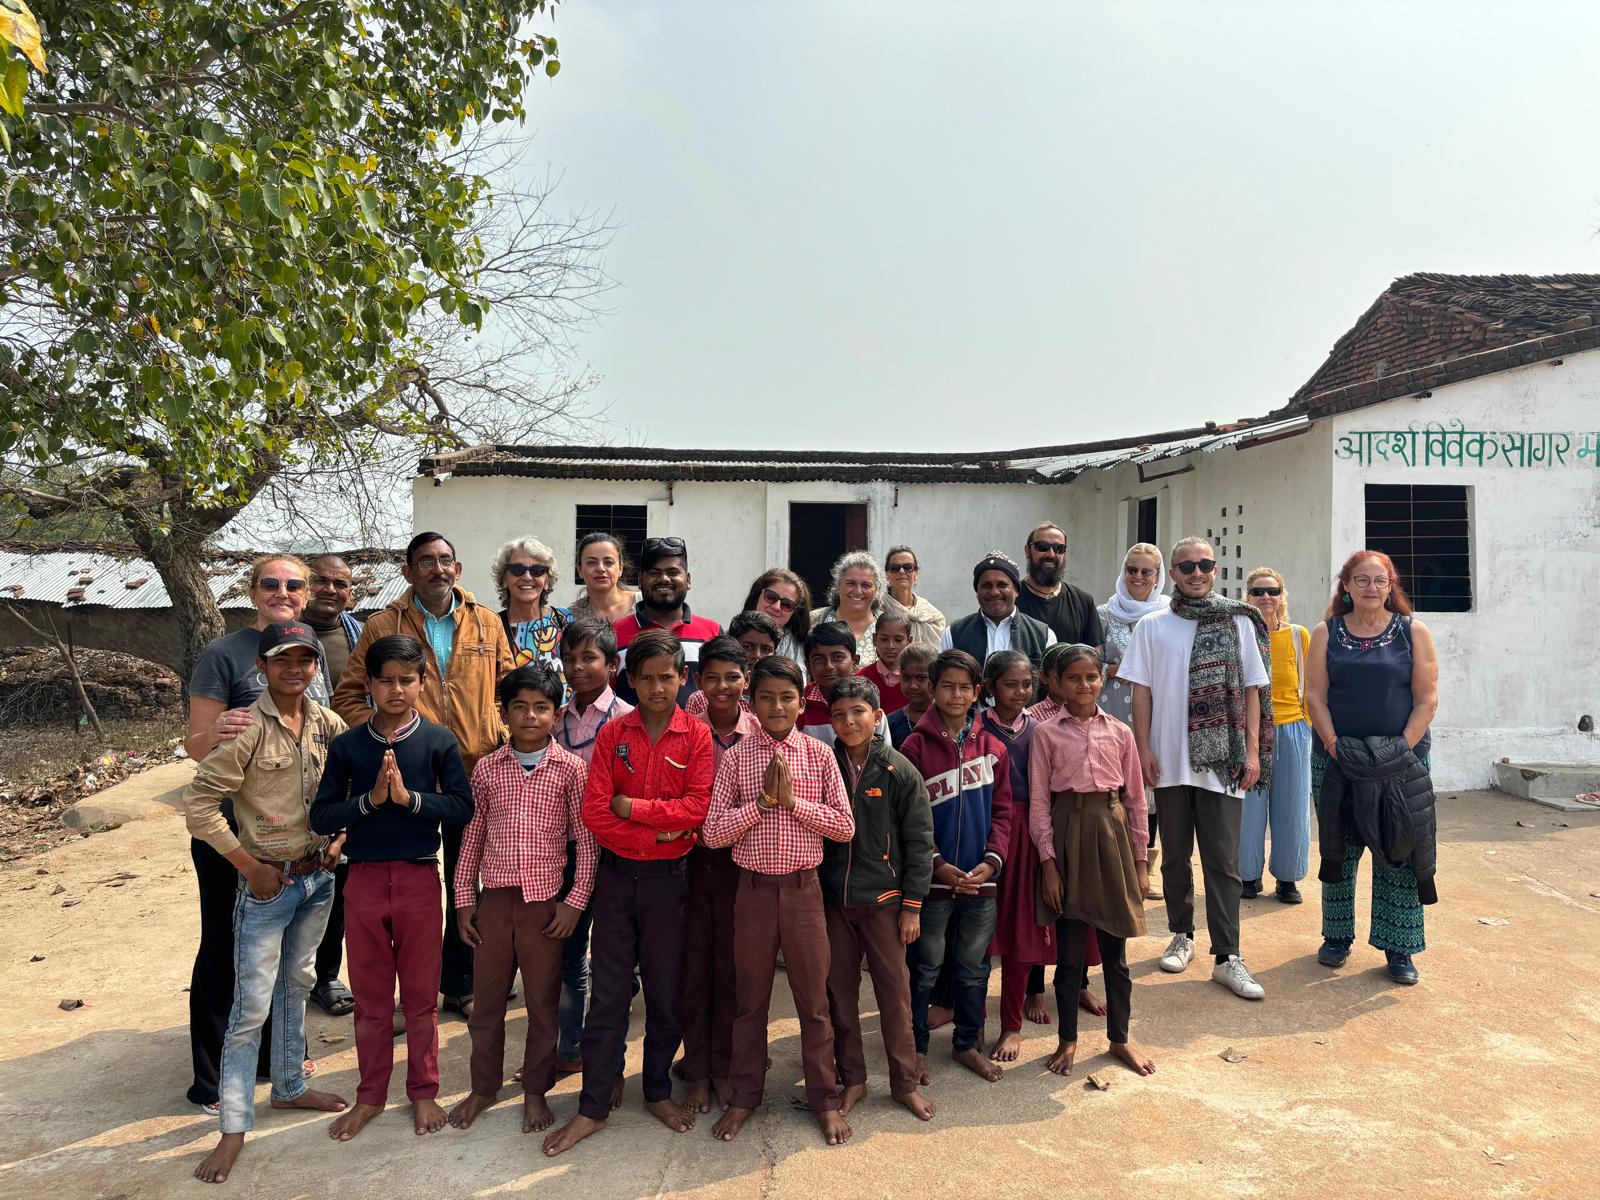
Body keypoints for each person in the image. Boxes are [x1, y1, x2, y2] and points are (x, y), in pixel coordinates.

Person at [185, 622, 349, 1184]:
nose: (296, 669)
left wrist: (337, 843)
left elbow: (345, 789)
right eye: (283, 660)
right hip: (268, 884)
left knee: (297, 985)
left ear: (316, 668)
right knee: (249, 1007)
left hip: (315, 878)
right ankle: (232, 1130)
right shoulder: (248, 729)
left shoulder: (328, 724)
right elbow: (199, 805)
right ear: (262, 667)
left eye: (305, 660)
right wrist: (249, 866)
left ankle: (289, 1087)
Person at [542, 629, 713, 1157]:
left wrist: (635, 811)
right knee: (610, 991)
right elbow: (596, 814)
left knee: (665, 990)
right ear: (629, 680)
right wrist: (661, 826)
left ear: (682, 679)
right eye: (647, 678)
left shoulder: (698, 737)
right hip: (616, 881)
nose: (658, 687)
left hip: (670, 883)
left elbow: (697, 812)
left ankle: (657, 1089)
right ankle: (593, 1103)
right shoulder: (615, 735)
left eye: (668, 677)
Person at [332, 532, 514, 1021]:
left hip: (471, 773)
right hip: (402, 778)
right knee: (398, 885)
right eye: (425, 562)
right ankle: (394, 999)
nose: (437, 569)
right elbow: (348, 695)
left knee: (465, 878)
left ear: (458, 568)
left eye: (445, 561)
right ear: (408, 571)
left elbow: (507, 689)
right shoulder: (382, 625)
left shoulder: (487, 623)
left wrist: (495, 730)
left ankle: (458, 984)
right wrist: (383, 742)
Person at [310, 635, 474, 1141]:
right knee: (373, 998)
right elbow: (321, 815)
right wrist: (369, 802)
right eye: (386, 680)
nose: (397, 689)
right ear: (370, 685)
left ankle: (423, 1092)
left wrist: (410, 800)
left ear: (422, 683)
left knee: (422, 998)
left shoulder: (440, 741)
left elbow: (462, 808)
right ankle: (370, 1096)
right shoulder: (349, 746)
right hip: (361, 880)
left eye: (407, 679)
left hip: (419, 877)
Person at [184, 553, 326, 1114]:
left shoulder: (307, 644)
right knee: (225, 946)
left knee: (287, 950)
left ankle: (278, 1060)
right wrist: (216, 730)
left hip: (291, 831)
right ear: (252, 590)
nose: (281, 591)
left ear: (307, 592)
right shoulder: (224, 654)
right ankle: (212, 1077)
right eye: (270, 583)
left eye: (293, 584)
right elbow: (195, 745)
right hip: (230, 828)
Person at [701, 655, 857, 1146]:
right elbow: (712, 833)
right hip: (752, 892)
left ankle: (824, 1100)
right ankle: (746, 1095)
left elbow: (844, 826)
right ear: (751, 698)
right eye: (765, 696)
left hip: (803, 891)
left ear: (802, 699)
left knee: (814, 1003)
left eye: (786, 697)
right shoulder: (737, 758)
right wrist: (761, 805)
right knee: (750, 1002)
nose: (776, 706)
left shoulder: (819, 754)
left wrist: (793, 803)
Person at [1117, 537, 1271, 1002]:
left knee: (1223, 861)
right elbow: (1140, 692)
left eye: (1204, 564)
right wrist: (1141, 748)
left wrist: (1252, 753)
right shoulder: (1151, 626)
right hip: (1167, 758)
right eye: (1187, 566)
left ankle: (1228, 956)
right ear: (1174, 573)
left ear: (1216, 569)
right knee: (1177, 855)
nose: (1197, 572)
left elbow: (1251, 690)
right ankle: (1182, 934)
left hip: (1222, 759)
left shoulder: (1238, 622)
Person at [449, 664, 596, 1135]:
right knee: (487, 1005)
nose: (530, 716)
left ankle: (535, 1090)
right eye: (519, 707)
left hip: (544, 907)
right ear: (504, 712)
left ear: (556, 715)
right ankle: (483, 1087)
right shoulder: (489, 769)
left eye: (541, 708)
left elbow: (585, 843)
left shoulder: (571, 768)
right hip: (493, 902)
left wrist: (574, 902)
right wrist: (463, 900)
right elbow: (472, 836)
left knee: (542, 1004)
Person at [1305, 551, 1439, 986]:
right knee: (1340, 849)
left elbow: (1426, 699)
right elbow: (1315, 697)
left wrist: (1401, 748)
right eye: (1360, 580)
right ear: (1346, 585)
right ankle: (1337, 937)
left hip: (1402, 763)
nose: (1370, 588)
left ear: (1390, 584)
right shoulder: (1328, 632)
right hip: (1338, 759)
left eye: (1378, 581)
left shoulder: (1413, 632)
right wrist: (1332, 743)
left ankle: (1398, 947)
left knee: (1398, 848)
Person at [1029, 645, 1155, 1079]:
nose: (1084, 685)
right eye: (1074, 678)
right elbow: (1040, 802)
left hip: (1112, 834)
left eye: (1092, 677)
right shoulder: (1045, 733)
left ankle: (1119, 1038)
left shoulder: (1120, 733)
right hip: (1067, 836)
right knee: (1068, 955)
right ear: (1057, 684)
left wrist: (1140, 863)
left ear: (1103, 680)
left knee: (1116, 954)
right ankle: (1068, 1039)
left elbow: (1136, 800)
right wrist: (1048, 863)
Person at [819, 677, 937, 1122]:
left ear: (876, 716)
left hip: (886, 901)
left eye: (858, 712)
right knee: (840, 994)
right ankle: (854, 1080)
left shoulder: (899, 770)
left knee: (895, 995)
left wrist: (912, 905)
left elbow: (920, 841)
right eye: (839, 714)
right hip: (834, 901)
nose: (848, 722)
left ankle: (904, 1082)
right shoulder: (823, 764)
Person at [978, 651, 1103, 1063]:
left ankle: (1010, 1024)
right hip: (984, 832)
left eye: (1026, 684)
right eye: (1010, 684)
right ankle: (968, 1016)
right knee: (976, 932)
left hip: (1029, 834)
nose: (1019, 692)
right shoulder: (976, 728)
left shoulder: (1041, 729)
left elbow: (1045, 793)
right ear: (991, 687)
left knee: (1020, 933)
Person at [901, 649, 1012, 1084]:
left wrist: (991, 863)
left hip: (980, 884)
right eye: (947, 685)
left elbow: (1003, 813)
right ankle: (915, 1047)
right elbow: (908, 818)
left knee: (973, 968)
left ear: (977, 693)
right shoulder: (914, 747)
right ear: (932, 688)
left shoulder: (994, 748)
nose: (956, 694)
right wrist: (937, 866)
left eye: (965, 687)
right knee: (925, 967)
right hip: (934, 884)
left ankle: (968, 1043)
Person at [681, 636, 762, 1113]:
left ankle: (728, 1068)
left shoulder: (758, 733)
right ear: (698, 680)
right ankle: (697, 1072)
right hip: (691, 864)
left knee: (734, 971)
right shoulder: (686, 730)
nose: (722, 686)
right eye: (711, 677)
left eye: (732, 677)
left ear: (745, 681)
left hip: (740, 865)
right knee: (694, 971)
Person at [553, 617, 632, 1072]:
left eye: (588, 658)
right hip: (565, 852)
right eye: (569, 658)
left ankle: (607, 1053)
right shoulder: (554, 719)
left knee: (613, 956)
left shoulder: (626, 719)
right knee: (568, 954)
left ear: (613, 664)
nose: (577, 667)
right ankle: (569, 1048)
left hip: (617, 852)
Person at [301, 556, 362, 1019]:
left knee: (337, 878)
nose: (329, 589)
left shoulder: (359, 635)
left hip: (348, 773)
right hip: (292, 774)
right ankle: (292, 974)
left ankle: (325, 976)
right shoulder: (286, 637)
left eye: (340, 583)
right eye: (320, 580)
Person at [1239, 567, 1313, 905]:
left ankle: (1287, 878)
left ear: (1282, 596)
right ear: (1248, 597)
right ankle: (1248, 876)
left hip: (1292, 728)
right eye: (1258, 591)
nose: (1265, 597)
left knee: (1292, 805)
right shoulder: (1241, 634)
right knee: (1248, 808)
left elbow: (1312, 684)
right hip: (1250, 732)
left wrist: (1307, 722)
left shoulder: (1298, 635)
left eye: (1272, 591)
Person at [1096, 544, 1167, 896]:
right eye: (1132, 570)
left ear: (1158, 576)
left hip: (1156, 712)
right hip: (1111, 711)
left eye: (1147, 571)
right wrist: (1115, 669)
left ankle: (1145, 870)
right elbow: (1089, 665)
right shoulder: (1103, 614)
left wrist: (1128, 670)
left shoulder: (1170, 613)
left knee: (1147, 789)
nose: (1138, 577)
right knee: (1114, 788)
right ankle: (1114, 866)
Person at [611, 537, 723, 706]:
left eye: (673, 572)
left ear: (688, 579)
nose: (664, 579)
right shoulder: (615, 632)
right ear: (640, 579)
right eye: (654, 573)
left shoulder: (713, 632)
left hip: (699, 732)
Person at [939, 551, 1052, 671]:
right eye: (986, 586)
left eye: (1002, 585)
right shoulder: (954, 633)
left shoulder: (1042, 635)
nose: (994, 592)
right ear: (977, 592)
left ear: (1016, 590)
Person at [494, 537, 573, 690]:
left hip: (564, 714)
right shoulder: (493, 626)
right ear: (504, 579)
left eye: (537, 571)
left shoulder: (564, 620)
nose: (527, 577)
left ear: (547, 581)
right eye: (517, 570)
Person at [1014, 522, 1104, 648]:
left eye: (1059, 549)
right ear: (1027, 551)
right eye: (1042, 547)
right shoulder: (1012, 598)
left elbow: (1094, 654)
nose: (1051, 554)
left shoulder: (1083, 601)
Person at [799, 622, 889, 745]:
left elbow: (884, 756)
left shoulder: (869, 699)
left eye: (838, 657)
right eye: (819, 659)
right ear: (808, 666)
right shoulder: (800, 706)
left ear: (855, 662)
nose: (829, 666)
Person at [809, 550, 885, 667]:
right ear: (838, 586)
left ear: (876, 590)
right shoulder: (815, 620)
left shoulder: (886, 625)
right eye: (851, 583)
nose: (858, 591)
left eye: (866, 585)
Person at [741, 568, 813, 664]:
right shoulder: (731, 637)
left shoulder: (805, 647)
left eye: (787, 604)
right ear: (757, 594)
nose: (776, 607)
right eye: (771, 597)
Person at [880, 545, 947, 647]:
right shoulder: (876, 609)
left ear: (916, 573)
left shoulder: (933, 617)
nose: (901, 571)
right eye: (895, 568)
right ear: (886, 574)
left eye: (908, 567)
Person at [569, 531, 638, 623]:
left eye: (608, 562)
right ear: (580, 570)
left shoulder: (644, 604)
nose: (600, 569)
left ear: (620, 569)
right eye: (591, 563)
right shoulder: (571, 617)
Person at [857, 611, 912, 713]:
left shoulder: (916, 679)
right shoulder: (860, 679)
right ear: (874, 639)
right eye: (884, 639)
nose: (890, 646)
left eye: (898, 640)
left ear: (909, 641)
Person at [887, 642, 936, 748]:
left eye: (921, 678)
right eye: (906, 677)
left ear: (935, 678)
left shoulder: (948, 718)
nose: (913, 686)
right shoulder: (891, 723)